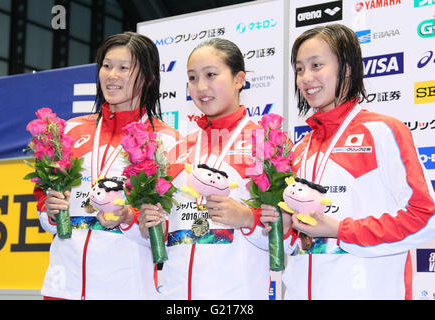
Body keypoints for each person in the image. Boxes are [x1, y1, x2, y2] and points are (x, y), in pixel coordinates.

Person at [259, 24, 435, 300]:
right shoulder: (301, 149)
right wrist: (283, 226)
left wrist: (339, 230)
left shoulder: (383, 130)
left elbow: (426, 216)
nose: (305, 78)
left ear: (348, 68)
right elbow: (299, 241)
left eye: (316, 65)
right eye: (300, 69)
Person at [33, 32, 179, 300]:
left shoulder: (165, 140)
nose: (112, 75)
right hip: (63, 284)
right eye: (107, 65)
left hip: (125, 287)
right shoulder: (72, 129)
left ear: (147, 77)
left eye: (124, 68)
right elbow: (45, 202)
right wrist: (51, 211)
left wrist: (128, 218)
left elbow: (168, 224)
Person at [122, 38, 270, 300]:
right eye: (192, 78)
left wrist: (248, 218)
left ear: (239, 79)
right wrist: (148, 225)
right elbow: (166, 228)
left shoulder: (265, 143)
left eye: (211, 74)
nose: (200, 87)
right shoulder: (178, 148)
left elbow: (287, 234)